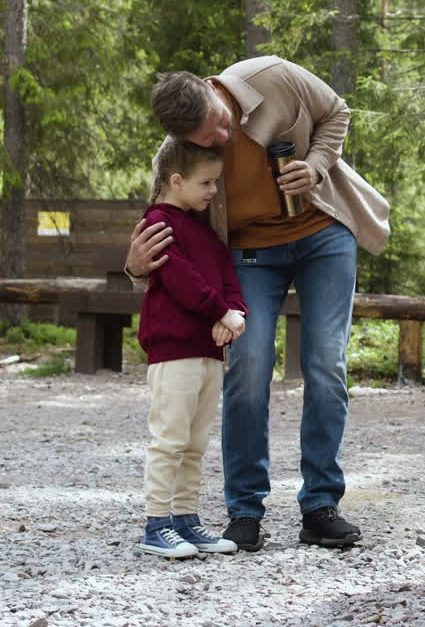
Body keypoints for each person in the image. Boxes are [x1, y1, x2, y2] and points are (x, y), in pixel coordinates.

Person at [126, 56, 390, 552]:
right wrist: (136, 263)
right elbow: (165, 219)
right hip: (248, 253)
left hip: (322, 233)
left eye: (219, 123)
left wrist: (315, 167)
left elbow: (338, 113)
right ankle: (245, 510)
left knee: (325, 364)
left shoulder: (270, 75)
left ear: (213, 93)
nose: (220, 138)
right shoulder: (176, 151)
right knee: (247, 364)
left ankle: (320, 506)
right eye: (207, 141)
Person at [136, 138, 247, 558]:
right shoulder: (157, 223)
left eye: (216, 183)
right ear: (176, 180)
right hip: (174, 350)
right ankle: (156, 523)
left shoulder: (206, 234)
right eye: (206, 183)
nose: (213, 192)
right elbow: (181, 280)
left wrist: (234, 315)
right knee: (170, 438)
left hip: (208, 351)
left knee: (196, 442)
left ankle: (186, 519)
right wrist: (221, 311)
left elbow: (228, 280)